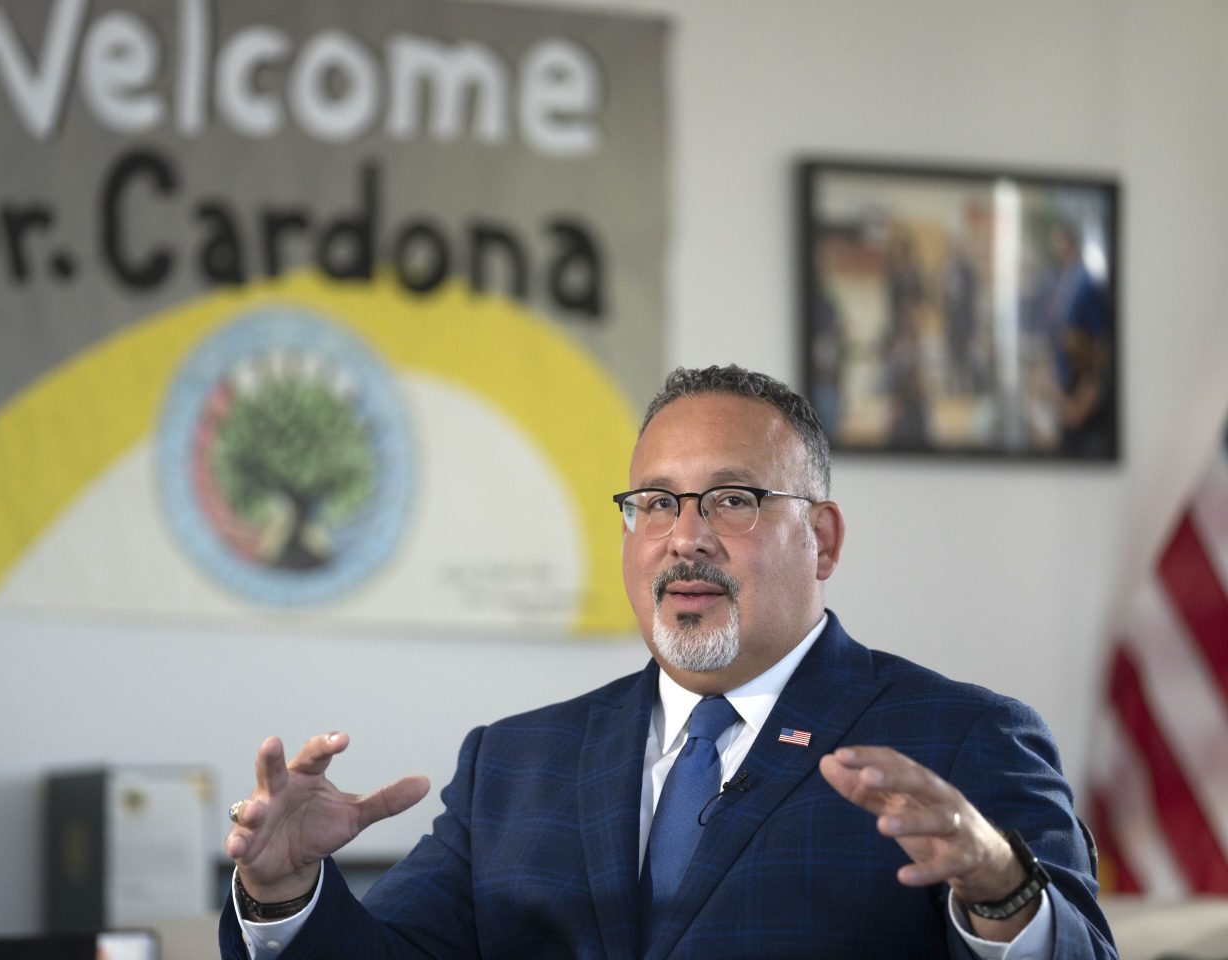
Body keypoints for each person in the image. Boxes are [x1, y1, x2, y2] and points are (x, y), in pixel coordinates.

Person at [219, 366, 1116, 959]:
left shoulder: (960, 739)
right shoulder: (514, 764)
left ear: (824, 540)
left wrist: (1002, 892)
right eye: (653, 504)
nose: (684, 538)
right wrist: (285, 891)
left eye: (732, 499)